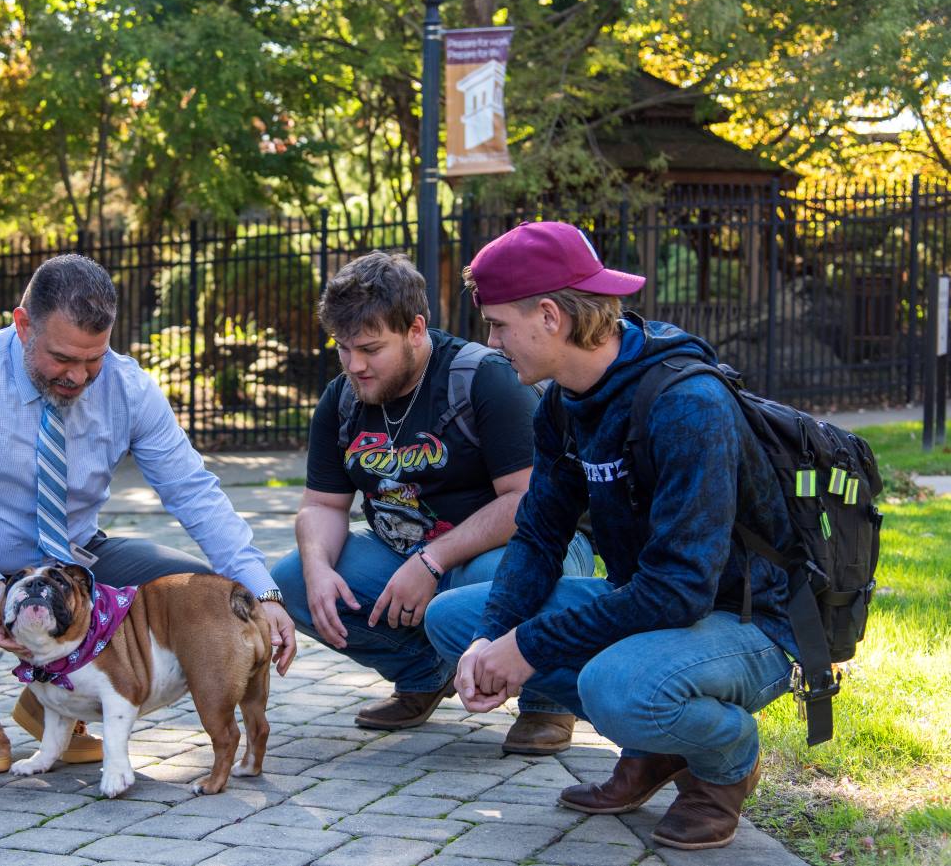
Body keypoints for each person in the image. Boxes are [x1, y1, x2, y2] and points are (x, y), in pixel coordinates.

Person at [425, 221, 797, 851]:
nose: (489, 343)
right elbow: (540, 535)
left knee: (614, 685)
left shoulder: (687, 402)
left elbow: (679, 590)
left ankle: (724, 763)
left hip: (748, 622)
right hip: (656, 611)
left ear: (549, 316)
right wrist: (496, 636)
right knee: (455, 625)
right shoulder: (563, 403)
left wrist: (529, 646)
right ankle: (656, 747)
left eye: (496, 325)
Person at [0, 254, 296, 775]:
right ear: (22, 324)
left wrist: (263, 592)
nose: (77, 376)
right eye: (62, 358)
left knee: (197, 597)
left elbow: (194, 493)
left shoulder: (128, 388)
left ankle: (55, 695)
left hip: (76, 562)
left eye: (92, 360)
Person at [271, 250, 592, 748]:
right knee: (289, 579)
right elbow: (322, 506)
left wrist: (432, 561)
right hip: (404, 555)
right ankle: (425, 672)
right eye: (343, 348)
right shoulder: (342, 398)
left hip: (506, 550)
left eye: (371, 349)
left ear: (416, 329)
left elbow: (531, 501)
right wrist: (317, 567)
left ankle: (546, 701)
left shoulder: (484, 377)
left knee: (520, 577)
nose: (355, 365)